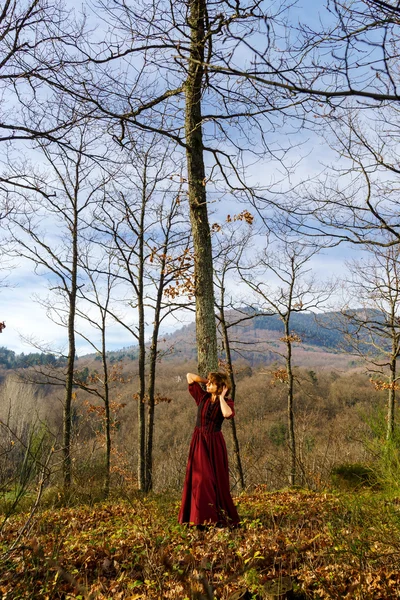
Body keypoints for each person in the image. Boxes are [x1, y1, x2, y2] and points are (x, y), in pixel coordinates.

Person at [178, 371, 240, 528]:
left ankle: (215, 518)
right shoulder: (202, 397)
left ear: (220, 387)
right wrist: (209, 381)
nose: (207, 385)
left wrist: (220, 395)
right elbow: (189, 376)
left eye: (211, 384)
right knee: (201, 479)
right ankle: (198, 518)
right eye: (208, 383)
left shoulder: (226, 402)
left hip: (215, 443)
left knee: (215, 480)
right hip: (199, 442)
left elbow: (227, 414)